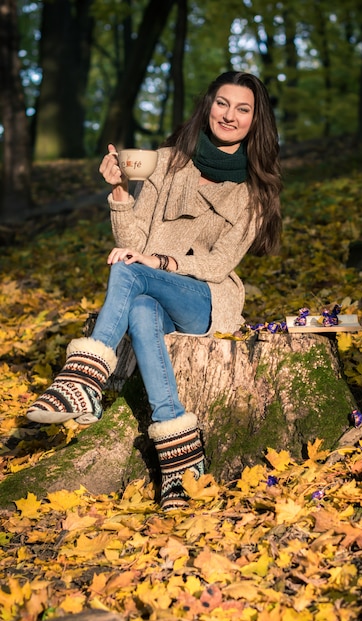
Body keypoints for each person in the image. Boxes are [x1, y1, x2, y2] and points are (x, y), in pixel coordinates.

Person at [26, 71, 283, 510]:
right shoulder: (166, 162)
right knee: (140, 305)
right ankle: (182, 456)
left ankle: (85, 379)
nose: (229, 115)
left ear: (255, 121)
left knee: (134, 274)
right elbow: (134, 242)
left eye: (243, 109)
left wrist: (164, 262)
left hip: (206, 297)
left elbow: (220, 265)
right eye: (223, 103)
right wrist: (120, 193)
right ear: (208, 105)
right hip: (152, 284)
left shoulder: (254, 192)